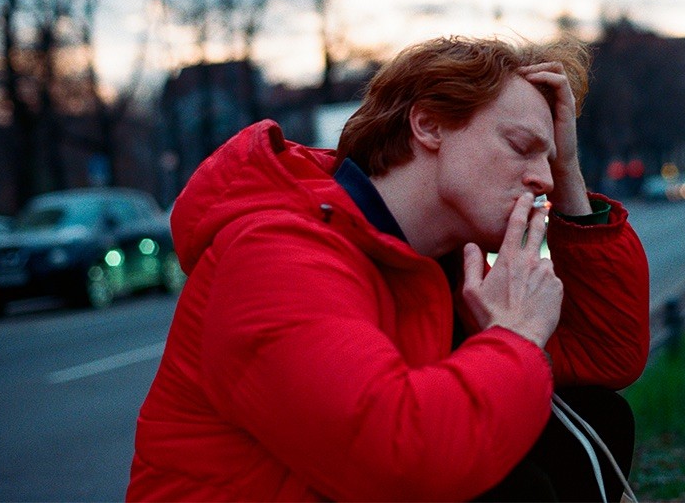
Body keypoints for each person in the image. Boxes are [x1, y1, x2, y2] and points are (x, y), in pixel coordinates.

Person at [127, 35, 651, 501]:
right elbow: (401, 459)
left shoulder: (437, 263)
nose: (544, 180)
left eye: (551, 161)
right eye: (521, 147)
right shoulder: (276, 252)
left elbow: (606, 355)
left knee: (591, 417)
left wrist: (569, 171)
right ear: (428, 124)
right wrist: (514, 336)